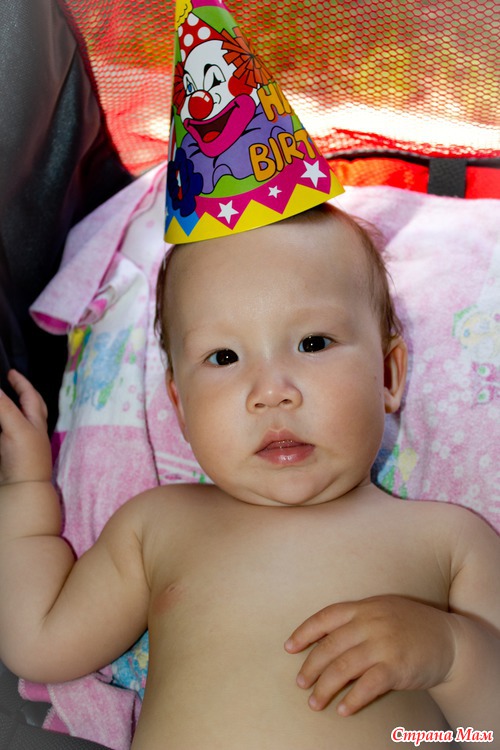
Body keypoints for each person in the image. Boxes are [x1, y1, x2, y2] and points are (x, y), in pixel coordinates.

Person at [0, 204, 499, 750]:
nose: (271, 391)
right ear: (180, 407)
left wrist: (453, 653)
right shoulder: (158, 525)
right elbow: (39, 641)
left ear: (388, 374)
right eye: (224, 357)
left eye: (313, 343)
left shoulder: (449, 540)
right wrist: (25, 492)